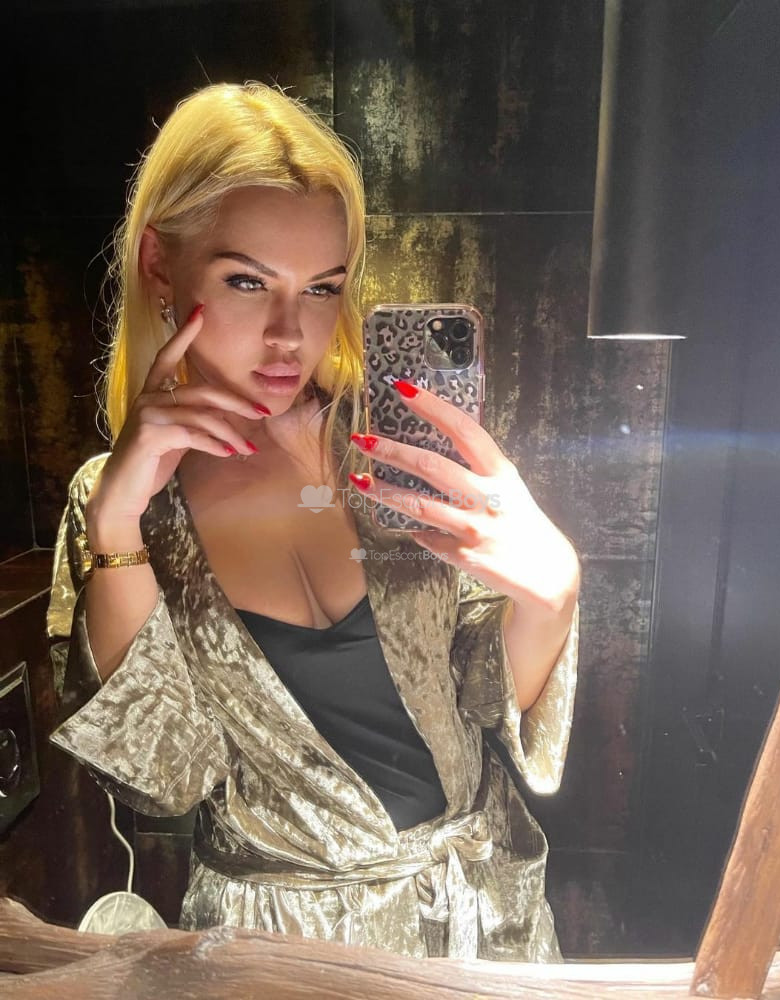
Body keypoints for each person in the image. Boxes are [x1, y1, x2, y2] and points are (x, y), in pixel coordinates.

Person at [46, 81, 581, 962]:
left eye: (323, 287)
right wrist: (117, 529)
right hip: (280, 948)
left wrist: (551, 599)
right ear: (159, 267)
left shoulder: (391, 447)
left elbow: (483, 700)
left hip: (481, 923)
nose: (290, 335)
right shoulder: (122, 507)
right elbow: (164, 778)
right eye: (247, 281)